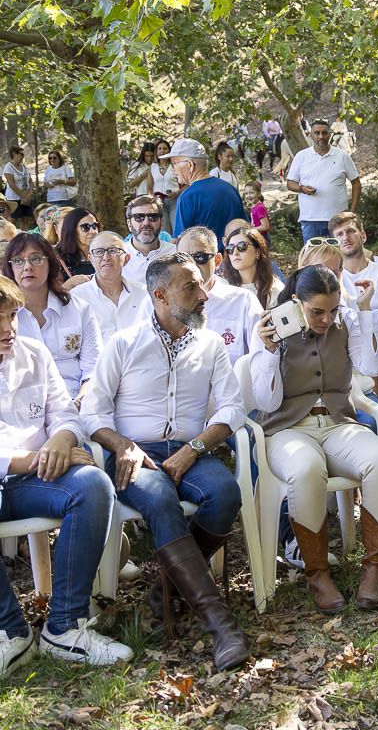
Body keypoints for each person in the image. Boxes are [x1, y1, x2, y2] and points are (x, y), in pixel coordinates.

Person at [83, 252, 250, 670]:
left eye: (201, 284)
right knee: (159, 498)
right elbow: (92, 413)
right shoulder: (123, 343)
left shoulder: (211, 345)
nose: (203, 295)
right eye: (190, 287)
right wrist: (123, 445)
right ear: (159, 294)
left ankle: (167, 587)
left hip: (190, 448)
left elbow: (232, 409)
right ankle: (219, 623)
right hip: (133, 453)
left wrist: (194, 448)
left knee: (226, 493)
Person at [0, 275, 133, 673]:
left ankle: (65, 626)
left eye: (11, 317)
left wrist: (61, 437)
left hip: (35, 478)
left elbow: (65, 411)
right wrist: (39, 457)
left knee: (93, 484)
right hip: (20, 469)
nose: (8, 329)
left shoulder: (34, 353)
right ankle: (10, 632)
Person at [249, 265, 378, 611]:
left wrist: (363, 312)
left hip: (336, 422)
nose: (326, 319)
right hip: (286, 429)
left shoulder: (344, 323)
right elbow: (266, 402)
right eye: (317, 311)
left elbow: (372, 366)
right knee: (305, 469)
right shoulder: (272, 328)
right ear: (296, 301)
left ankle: (374, 568)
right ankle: (317, 573)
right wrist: (269, 351)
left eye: (332, 310)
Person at [2, 233, 100, 401]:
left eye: (36, 258)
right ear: (10, 268)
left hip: (77, 398)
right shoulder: (5, 318)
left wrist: (82, 398)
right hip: (23, 404)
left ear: (51, 263)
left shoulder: (78, 309)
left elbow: (94, 366)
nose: (27, 267)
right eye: (18, 260)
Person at [177, 227, 262, 366]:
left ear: (217, 261)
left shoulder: (243, 302)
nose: (191, 266)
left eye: (200, 257)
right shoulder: (164, 303)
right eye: (183, 259)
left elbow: (261, 358)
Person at [286, 119, 362, 242]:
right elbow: (290, 183)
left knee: (340, 257)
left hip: (338, 219)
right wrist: (302, 189)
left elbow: (356, 183)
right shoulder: (301, 156)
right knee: (314, 259)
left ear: (330, 134)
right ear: (311, 135)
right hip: (311, 219)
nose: (321, 137)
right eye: (317, 133)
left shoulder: (342, 156)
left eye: (324, 133)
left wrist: (352, 212)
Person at [167, 138, 250, 246]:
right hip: (233, 258)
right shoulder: (231, 190)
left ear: (190, 165)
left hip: (204, 261)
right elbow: (245, 229)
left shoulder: (187, 197)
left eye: (174, 163)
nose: (172, 169)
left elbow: (179, 242)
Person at [70, 231, 150, 338]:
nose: (106, 257)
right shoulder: (77, 298)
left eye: (113, 251)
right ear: (91, 259)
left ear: (126, 259)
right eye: (99, 252)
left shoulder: (144, 294)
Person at [329, 211, 378, 313]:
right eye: (339, 234)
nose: (345, 238)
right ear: (334, 242)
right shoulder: (330, 279)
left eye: (350, 231)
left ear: (363, 236)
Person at [220, 226, 282, 308]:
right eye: (230, 248)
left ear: (258, 252)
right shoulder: (222, 287)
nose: (235, 252)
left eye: (242, 246)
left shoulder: (275, 289)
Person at [122, 195, 177, 286]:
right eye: (139, 217)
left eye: (153, 217)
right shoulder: (117, 257)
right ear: (129, 224)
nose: (146, 223)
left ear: (161, 222)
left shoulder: (175, 253)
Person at [55, 207, 100, 279]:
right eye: (85, 227)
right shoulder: (57, 259)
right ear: (72, 230)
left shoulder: (104, 254)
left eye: (94, 226)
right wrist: (67, 286)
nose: (93, 231)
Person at [150, 139, 181, 230]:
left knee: (177, 228)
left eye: (165, 148)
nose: (162, 151)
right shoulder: (153, 167)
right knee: (164, 230)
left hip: (174, 200)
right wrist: (153, 198)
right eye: (159, 149)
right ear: (156, 151)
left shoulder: (175, 166)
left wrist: (177, 193)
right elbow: (149, 187)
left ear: (169, 151)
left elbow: (187, 184)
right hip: (159, 201)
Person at [3, 146, 33, 226]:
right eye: (21, 154)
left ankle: (24, 237)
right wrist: (23, 196)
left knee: (26, 219)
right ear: (14, 154)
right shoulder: (8, 167)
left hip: (26, 197)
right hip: (14, 199)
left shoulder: (24, 166)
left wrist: (30, 194)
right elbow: (12, 184)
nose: (23, 156)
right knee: (13, 220)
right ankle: (9, 237)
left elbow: (30, 180)